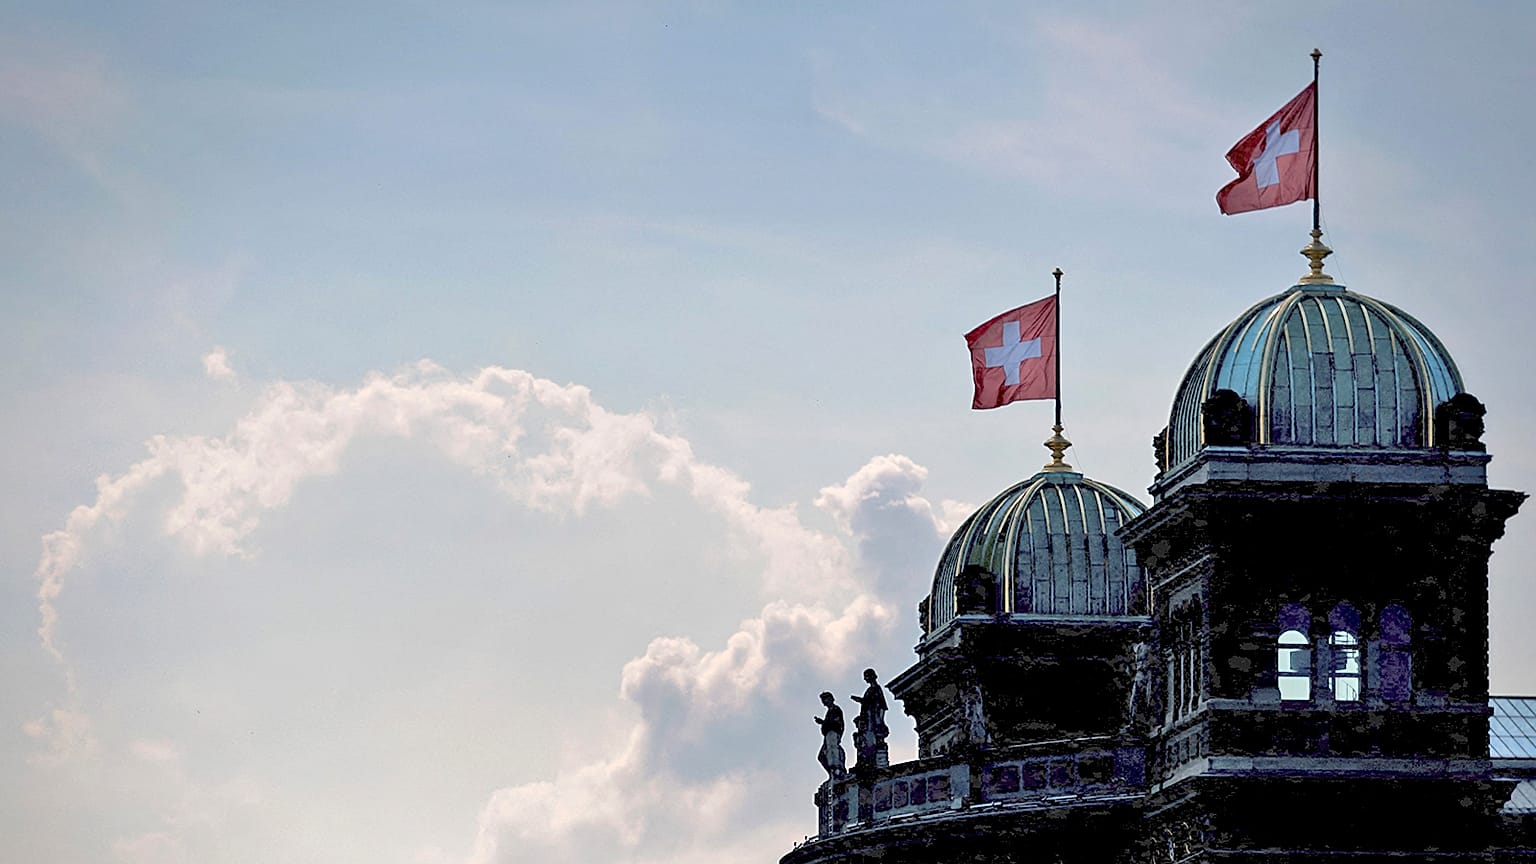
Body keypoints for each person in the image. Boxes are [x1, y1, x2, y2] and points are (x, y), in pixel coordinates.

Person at [850, 668, 888, 744]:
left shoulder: (876, 689)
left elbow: (881, 705)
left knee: (872, 735)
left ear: (871, 676)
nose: (865, 679)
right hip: (868, 716)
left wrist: (880, 720)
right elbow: (868, 702)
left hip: (872, 716)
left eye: (866, 676)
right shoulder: (869, 690)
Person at [814, 692, 845, 777]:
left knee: (833, 751)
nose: (824, 702)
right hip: (828, 735)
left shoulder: (836, 709)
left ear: (831, 698)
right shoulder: (829, 711)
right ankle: (832, 773)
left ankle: (837, 771)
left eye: (825, 699)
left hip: (833, 733)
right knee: (821, 756)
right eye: (823, 700)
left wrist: (823, 722)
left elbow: (836, 723)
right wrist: (823, 722)